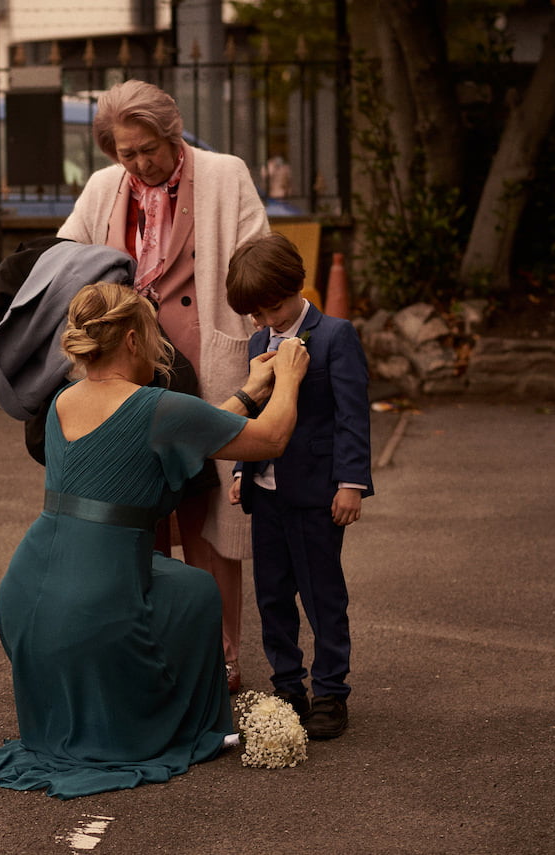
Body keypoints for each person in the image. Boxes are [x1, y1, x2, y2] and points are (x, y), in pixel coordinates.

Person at [0, 282, 308, 799]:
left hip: (27, 594)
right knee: (197, 595)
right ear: (130, 339)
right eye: (154, 335)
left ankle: (117, 704)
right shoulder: (157, 406)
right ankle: (161, 721)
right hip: (99, 596)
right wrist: (287, 377)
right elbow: (272, 437)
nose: (159, 349)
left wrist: (248, 390)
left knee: (188, 588)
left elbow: (187, 428)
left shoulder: (62, 402)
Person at [58, 79, 270, 692]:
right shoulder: (104, 187)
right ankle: (149, 653)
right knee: (138, 515)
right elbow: (68, 258)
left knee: (209, 519)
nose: (140, 163)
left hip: (208, 371)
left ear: (172, 136)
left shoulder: (226, 176)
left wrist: (272, 348)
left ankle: (222, 658)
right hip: (129, 374)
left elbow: (257, 261)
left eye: (149, 149)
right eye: (127, 153)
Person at [225, 234, 373, 739]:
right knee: (271, 596)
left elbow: (352, 417)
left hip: (315, 493)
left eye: (275, 308)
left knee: (321, 595)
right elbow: (258, 413)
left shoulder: (334, 336)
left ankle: (331, 691)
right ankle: (287, 687)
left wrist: (350, 484)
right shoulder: (256, 342)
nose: (268, 321)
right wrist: (242, 471)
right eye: (257, 315)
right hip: (265, 494)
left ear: (297, 286)